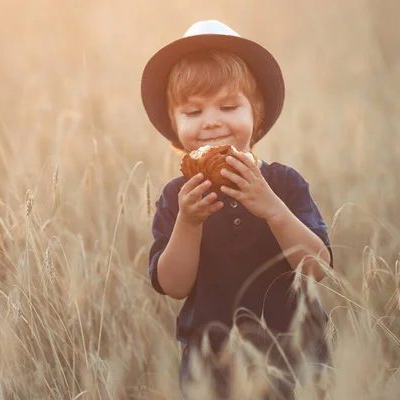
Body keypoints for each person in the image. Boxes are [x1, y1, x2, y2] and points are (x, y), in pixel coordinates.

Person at [141, 20, 334, 399]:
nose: (211, 121)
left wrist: (272, 209)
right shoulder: (177, 197)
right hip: (213, 368)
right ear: (174, 127)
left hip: (294, 358)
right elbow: (174, 286)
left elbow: (319, 269)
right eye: (192, 112)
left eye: (228, 106)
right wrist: (189, 222)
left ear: (255, 115)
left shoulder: (284, 183)